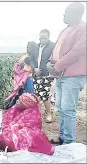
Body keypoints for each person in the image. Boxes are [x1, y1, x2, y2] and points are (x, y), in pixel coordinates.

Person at [47, 2, 86, 145]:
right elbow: (56, 49)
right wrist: (50, 62)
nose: (64, 15)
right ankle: (63, 137)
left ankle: (69, 142)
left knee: (68, 109)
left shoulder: (83, 28)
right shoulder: (65, 30)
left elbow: (76, 51)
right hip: (61, 75)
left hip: (73, 76)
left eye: (67, 12)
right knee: (61, 107)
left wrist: (56, 66)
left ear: (77, 14)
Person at [30, 29, 55, 123]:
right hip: (36, 74)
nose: (42, 39)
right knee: (37, 94)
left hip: (47, 75)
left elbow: (54, 59)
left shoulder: (53, 46)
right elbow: (31, 60)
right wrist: (35, 69)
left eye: (44, 37)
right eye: (40, 37)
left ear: (48, 37)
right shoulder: (35, 47)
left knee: (45, 94)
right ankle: (38, 114)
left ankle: (49, 114)